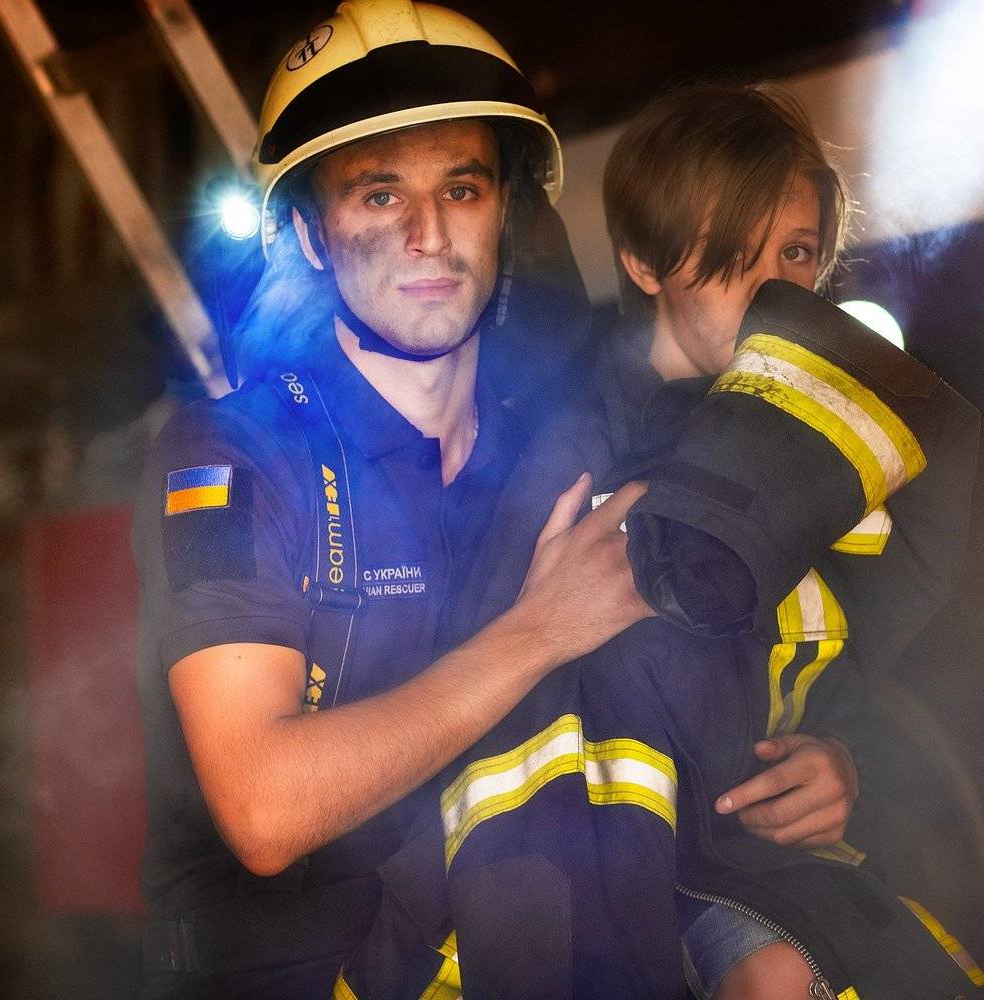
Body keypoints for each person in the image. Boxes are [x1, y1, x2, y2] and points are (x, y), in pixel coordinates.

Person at [132, 6, 857, 997]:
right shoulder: (235, 455)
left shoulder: (562, 448)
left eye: (461, 188)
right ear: (309, 233)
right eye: (379, 194)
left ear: (505, 212)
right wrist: (540, 630)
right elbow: (265, 810)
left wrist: (835, 766)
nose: (428, 234)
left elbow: (680, 727)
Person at [337, 84, 984, 1000]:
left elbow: (873, 669)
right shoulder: (547, 446)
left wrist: (846, 763)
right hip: (562, 869)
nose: (771, 292)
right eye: (731, 255)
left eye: (797, 254)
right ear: (644, 263)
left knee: (788, 977)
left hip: (740, 851)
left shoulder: (829, 448)